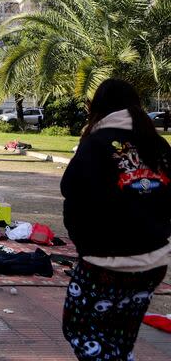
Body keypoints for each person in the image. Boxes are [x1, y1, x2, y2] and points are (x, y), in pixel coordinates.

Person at [60, 79, 171, 360]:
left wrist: (85, 244)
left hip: (105, 263)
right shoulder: (156, 145)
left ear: (98, 108)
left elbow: (72, 192)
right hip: (152, 262)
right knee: (120, 340)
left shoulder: (96, 143)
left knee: (82, 331)